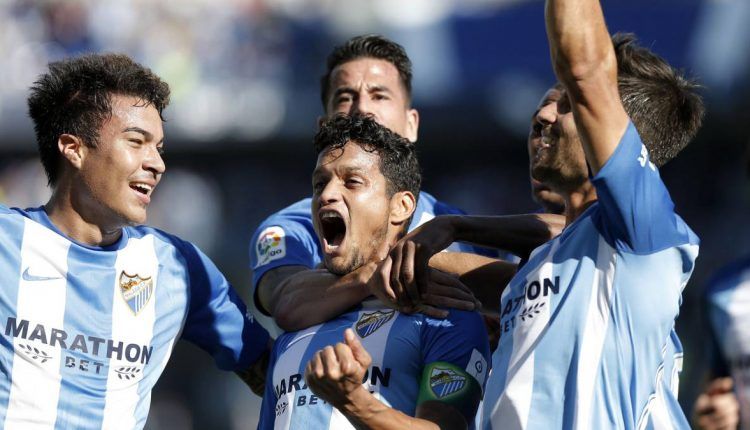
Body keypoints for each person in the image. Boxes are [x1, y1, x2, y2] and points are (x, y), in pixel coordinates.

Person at [383, 2, 705, 428]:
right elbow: (425, 271)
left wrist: (454, 226)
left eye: (567, 104)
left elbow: (586, 68)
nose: (541, 116)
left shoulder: (641, 227)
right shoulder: (544, 266)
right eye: (545, 102)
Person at [0, 53, 270, 429]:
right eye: (136, 142)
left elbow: (270, 370)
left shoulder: (178, 266)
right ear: (73, 148)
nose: (157, 164)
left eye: (158, 148)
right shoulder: (6, 241)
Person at [249, 34, 510, 333]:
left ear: (411, 124)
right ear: (324, 127)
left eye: (379, 95)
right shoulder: (291, 228)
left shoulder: (461, 227)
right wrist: (373, 275)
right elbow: (284, 302)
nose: (363, 109)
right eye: (345, 97)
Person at [257, 114, 491, 429]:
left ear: (402, 206)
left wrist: (354, 401)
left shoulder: (445, 313)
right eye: (319, 183)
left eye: (352, 182)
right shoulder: (300, 322)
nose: (326, 194)